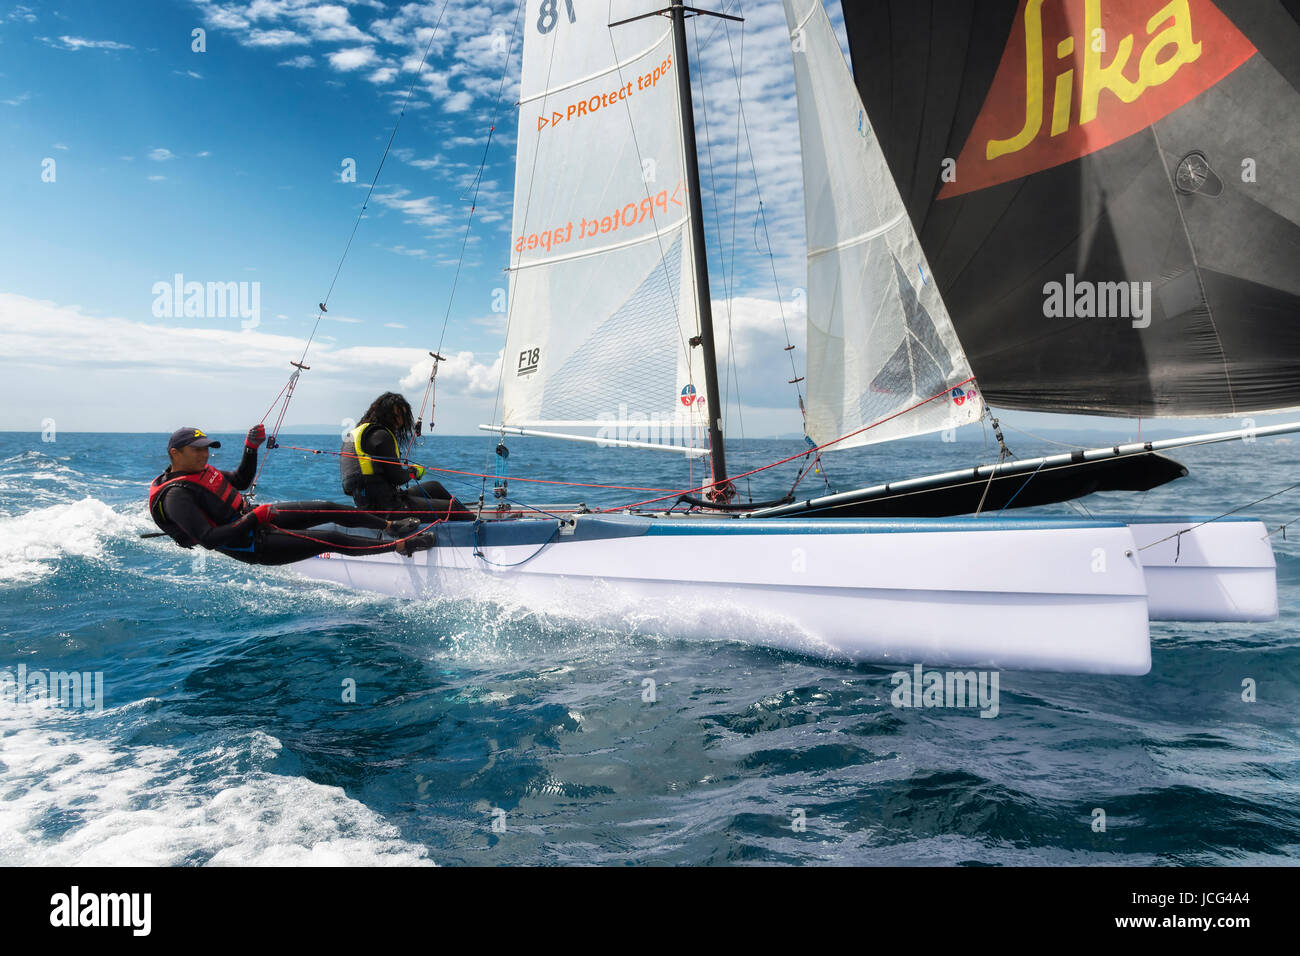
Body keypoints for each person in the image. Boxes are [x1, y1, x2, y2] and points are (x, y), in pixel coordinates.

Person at [148, 425, 434, 565]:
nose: (204, 453)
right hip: (251, 544)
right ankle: (402, 547)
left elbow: (241, 480)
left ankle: (390, 526)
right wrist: (255, 518)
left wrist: (251, 448)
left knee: (326, 508)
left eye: (205, 447)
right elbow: (210, 540)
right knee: (331, 539)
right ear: (175, 453)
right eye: (197, 449)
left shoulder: (200, 472)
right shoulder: (176, 497)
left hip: (254, 519)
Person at [340, 392, 473, 521]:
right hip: (388, 509)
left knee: (434, 487)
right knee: (452, 508)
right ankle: (482, 528)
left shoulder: (354, 435)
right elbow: (397, 478)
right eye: (397, 416)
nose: (400, 421)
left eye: (402, 416)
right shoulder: (381, 436)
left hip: (368, 504)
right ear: (384, 415)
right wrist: (413, 471)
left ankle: (472, 522)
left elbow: (350, 486)